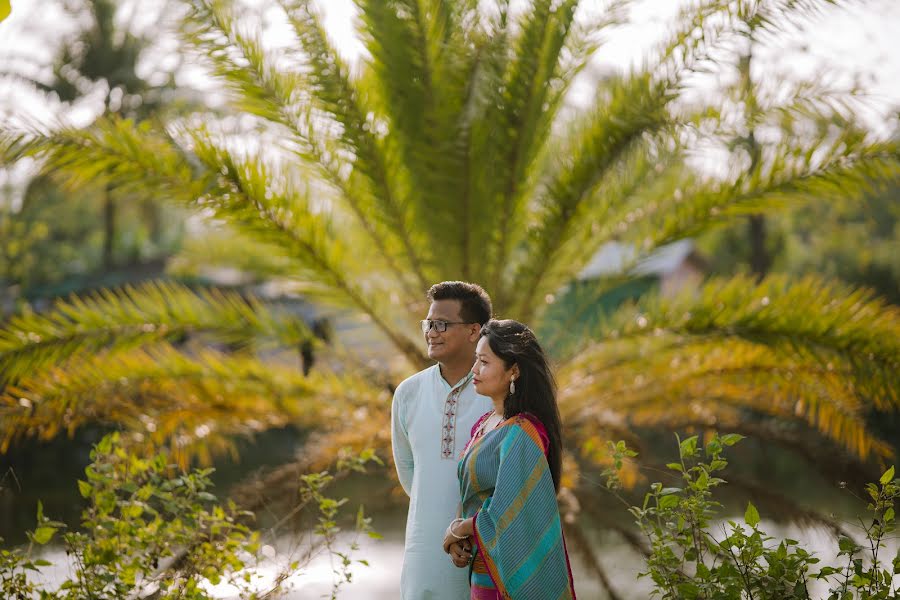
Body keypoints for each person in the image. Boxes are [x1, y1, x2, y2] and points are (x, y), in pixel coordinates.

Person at [442, 319, 576, 599]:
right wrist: (460, 538)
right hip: (481, 571)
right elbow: (473, 495)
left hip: (506, 579)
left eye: (484, 362)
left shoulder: (522, 432)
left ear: (513, 370)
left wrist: (458, 529)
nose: (474, 370)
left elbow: (505, 512)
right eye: (476, 360)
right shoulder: (486, 424)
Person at [392, 281, 494, 599]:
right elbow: (411, 478)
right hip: (422, 560)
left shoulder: (498, 396)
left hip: (486, 559)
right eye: (428, 323)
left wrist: (470, 528)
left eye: (442, 324)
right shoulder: (408, 393)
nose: (431, 332)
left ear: (474, 331)